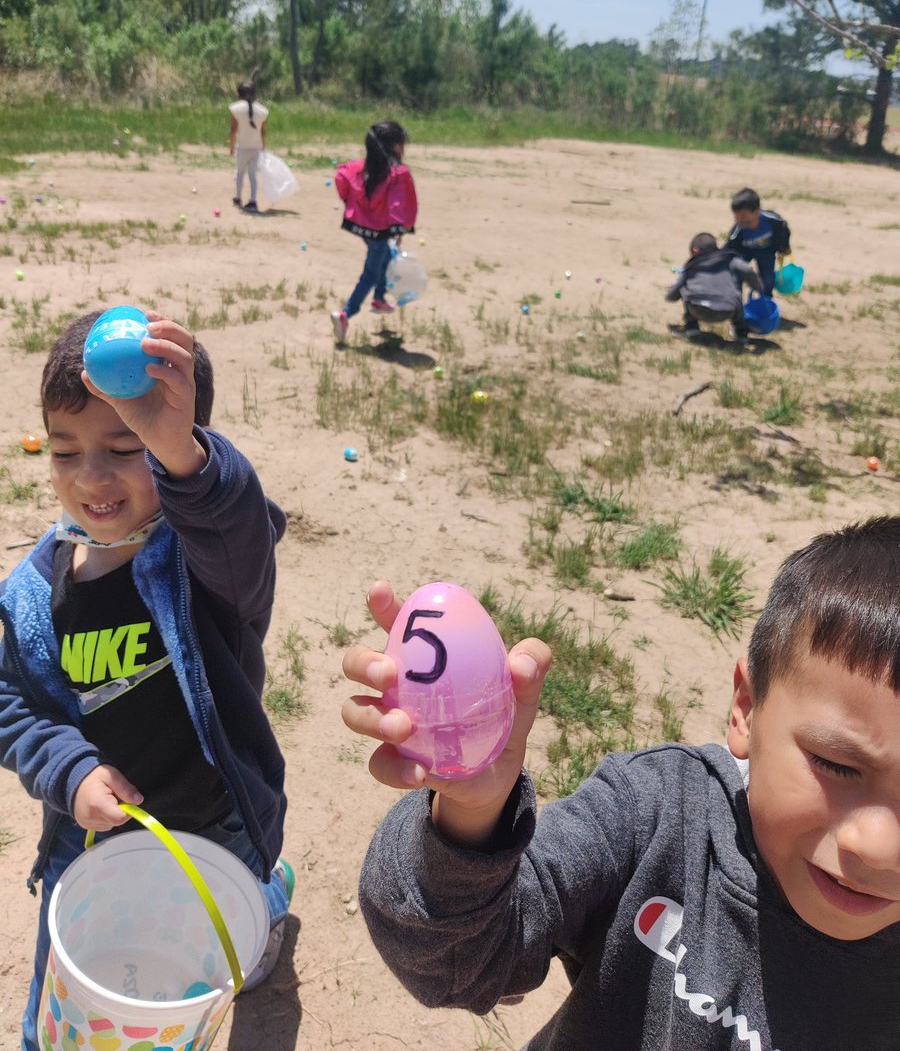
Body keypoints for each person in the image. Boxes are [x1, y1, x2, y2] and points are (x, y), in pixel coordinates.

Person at [342, 516, 900, 1050]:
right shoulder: (656, 818)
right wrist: (470, 816)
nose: (878, 848)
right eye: (836, 764)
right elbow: (455, 965)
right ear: (748, 709)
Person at [0, 309, 293, 1051]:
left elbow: (230, 522)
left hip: (210, 825)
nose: (91, 476)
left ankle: (265, 902)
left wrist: (182, 454)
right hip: (90, 840)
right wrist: (68, 770)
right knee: (57, 1017)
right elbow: (9, 704)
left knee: (213, 955)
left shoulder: (211, 571)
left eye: (126, 447)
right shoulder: (40, 592)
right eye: (65, 452)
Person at [330, 120, 418, 344]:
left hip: (363, 227)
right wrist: (399, 229)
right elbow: (398, 204)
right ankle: (345, 314)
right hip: (379, 231)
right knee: (370, 273)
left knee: (386, 258)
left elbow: (341, 178)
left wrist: (351, 202)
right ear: (395, 147)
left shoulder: (359, 167)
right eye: (401, 144)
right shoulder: (397, 173)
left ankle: (378, 298)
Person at [666, 231, 763, 344]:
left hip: (697, 309)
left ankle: (691, 326)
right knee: (735, 286)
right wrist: (758, 287)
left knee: (686, 288)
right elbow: (747, 270)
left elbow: (675, 293)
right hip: (727, 311)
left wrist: (670, 296)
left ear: (695, 250)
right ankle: (740, 331)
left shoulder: (691, 266)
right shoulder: (730, 260)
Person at [724, 187, 792, 298]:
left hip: (766, 251)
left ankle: (766, 301)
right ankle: (736, 304)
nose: (739, 220)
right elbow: (729, 248)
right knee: (735, 274)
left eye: (743, 216)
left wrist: (784, 247)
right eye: (736, 216)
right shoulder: (737, 231)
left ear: (757, 211)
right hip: (745, 251)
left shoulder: (773, 221)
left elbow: (783, 231)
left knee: (768, 279)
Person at [229, 81, 268, 212]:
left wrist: (231, 146)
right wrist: (263, 147)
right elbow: (263, 131)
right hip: (256, 148)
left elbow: (233, 130)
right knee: (253, 175)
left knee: (240, 173)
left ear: (239, 94)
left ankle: (238, 197)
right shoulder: (262, 111)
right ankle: (253, 201)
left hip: (243, 147)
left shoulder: (236, 109)